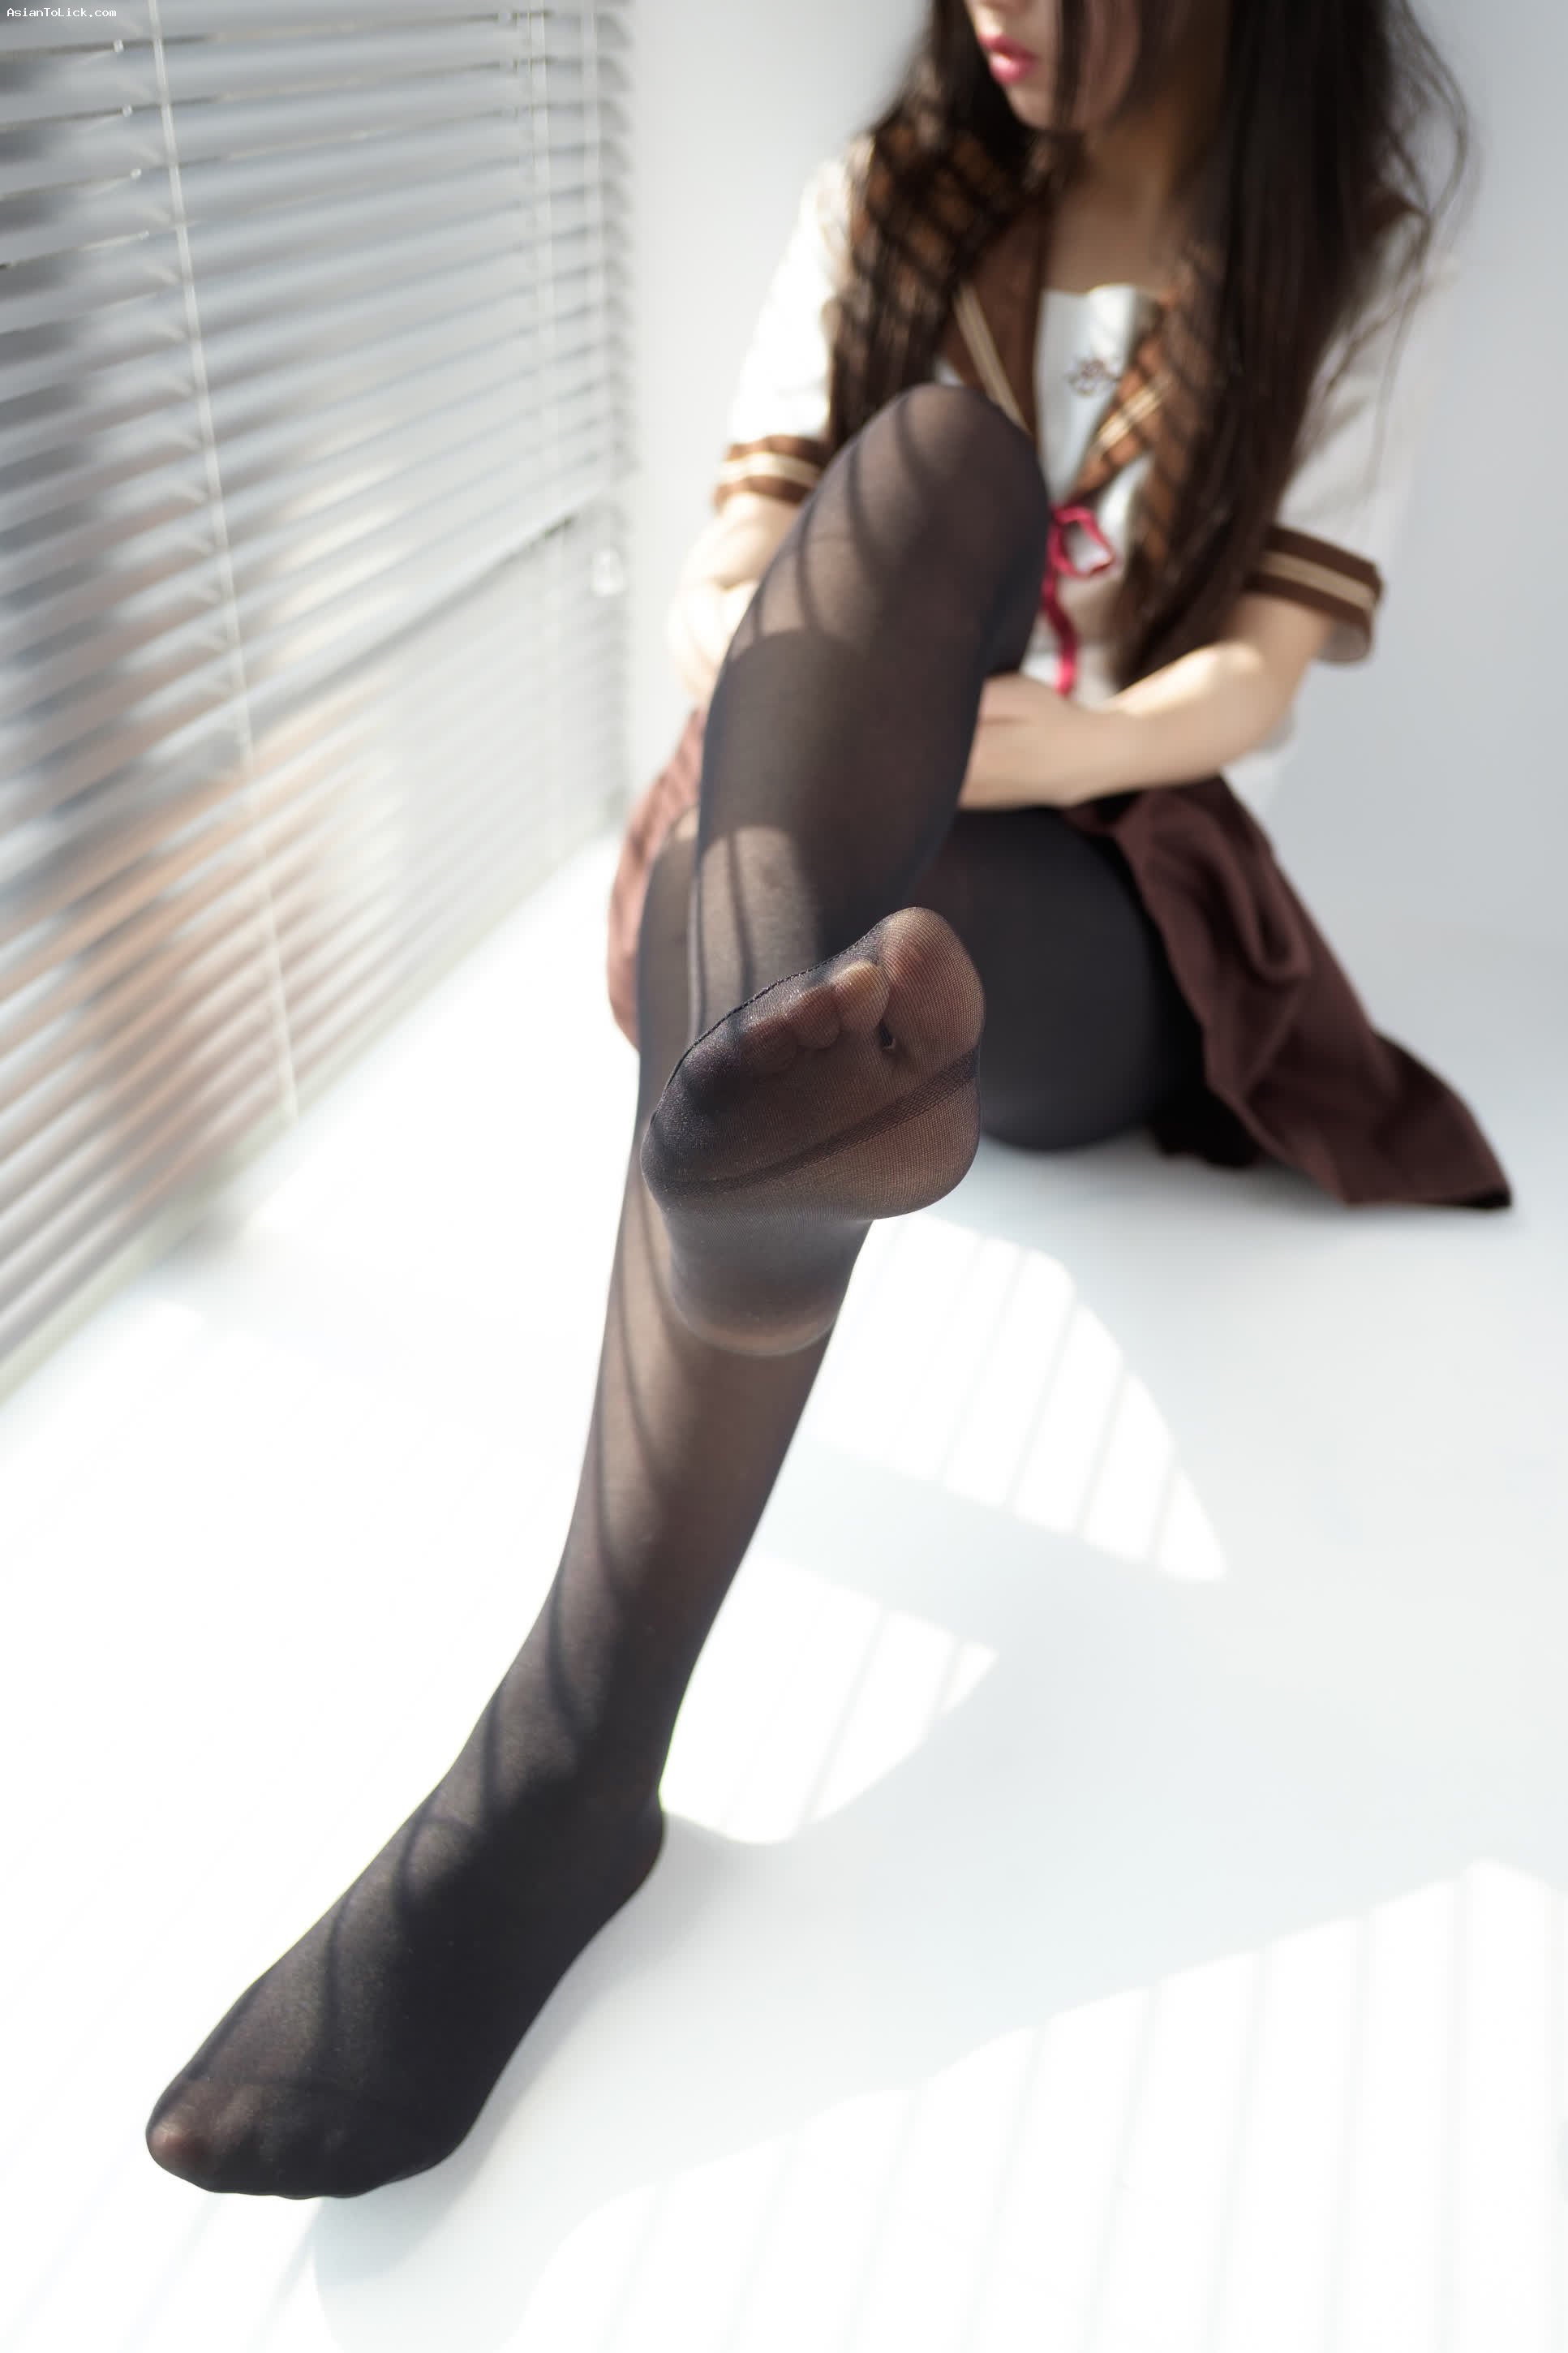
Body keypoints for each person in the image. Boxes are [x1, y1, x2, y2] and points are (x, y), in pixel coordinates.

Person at [145, 0, 1511, 2200]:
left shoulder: (1341, 246)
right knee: (931, 467)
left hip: (1092, 906)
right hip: (803, 853)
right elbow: (730, 586)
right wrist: (847, 706)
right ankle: (775, 1146)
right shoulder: (887, 202)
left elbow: (1239, 683)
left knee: (830, 907)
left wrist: (991, 743)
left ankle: (573, 1740)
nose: (998, 10)